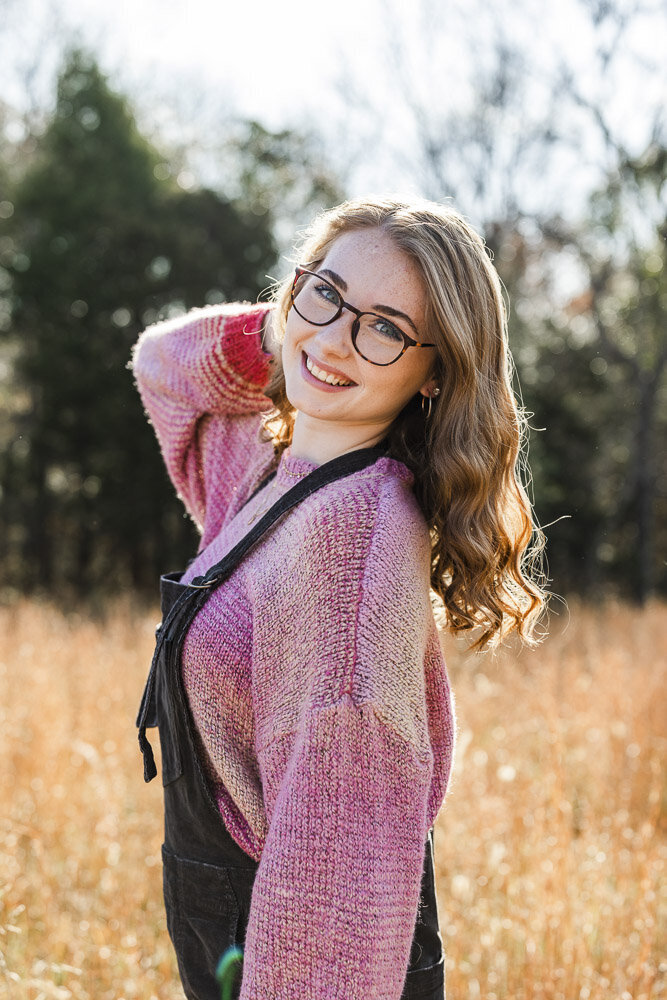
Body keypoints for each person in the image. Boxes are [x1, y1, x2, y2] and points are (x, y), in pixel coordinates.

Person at [132, 195, 546, 1000]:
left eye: (384, 328)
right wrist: (289, 330)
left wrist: (311, 321)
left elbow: (337, 877)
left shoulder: (351, 545)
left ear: (434, 373)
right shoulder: (265, 466)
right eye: (323, 291)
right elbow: (162, 365)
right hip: (232, 941)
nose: (335, 340)